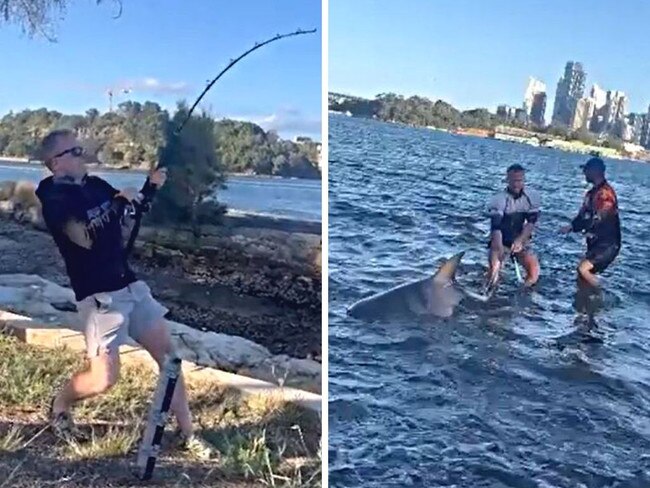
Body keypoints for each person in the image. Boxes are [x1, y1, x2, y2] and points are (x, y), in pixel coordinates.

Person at [34, 129, 213, 459]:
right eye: (74, 151)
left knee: (171, 362)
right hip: (99, 296)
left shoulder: (97, 185)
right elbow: (82, 236)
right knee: (104, 379)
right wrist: (118, 202)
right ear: (55, 164)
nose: (83, 154)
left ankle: (190, 434)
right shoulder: (53, 200)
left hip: (129, 284)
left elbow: (131, 212)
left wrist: (149, 189)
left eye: (81, 148)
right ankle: (61, 403)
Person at [559, 156, 621, 288]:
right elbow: (582, 216)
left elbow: (600, 217)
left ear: (594, 171)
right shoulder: (591, 194)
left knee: (583, 269)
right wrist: (571, 227)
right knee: (582, 278)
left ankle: (603, 293)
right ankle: (586, 304)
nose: (584, 173)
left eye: (586, 170)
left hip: (607, 244)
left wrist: (585, 226)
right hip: (596, 243)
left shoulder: (605, 194)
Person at [486, 164, 541, 289]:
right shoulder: (498, 199)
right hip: (500, 238)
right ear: (507, 180)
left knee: (534, 271)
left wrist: (520, 240)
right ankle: (489, 291)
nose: (516, 184)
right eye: (513, 181)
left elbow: (531, 222)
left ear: (524, 180)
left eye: (519, 181)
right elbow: (496, 226)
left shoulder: (531, 197)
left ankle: (522, 293)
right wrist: (499, 247)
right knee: (494, 271)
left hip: (520, 238)